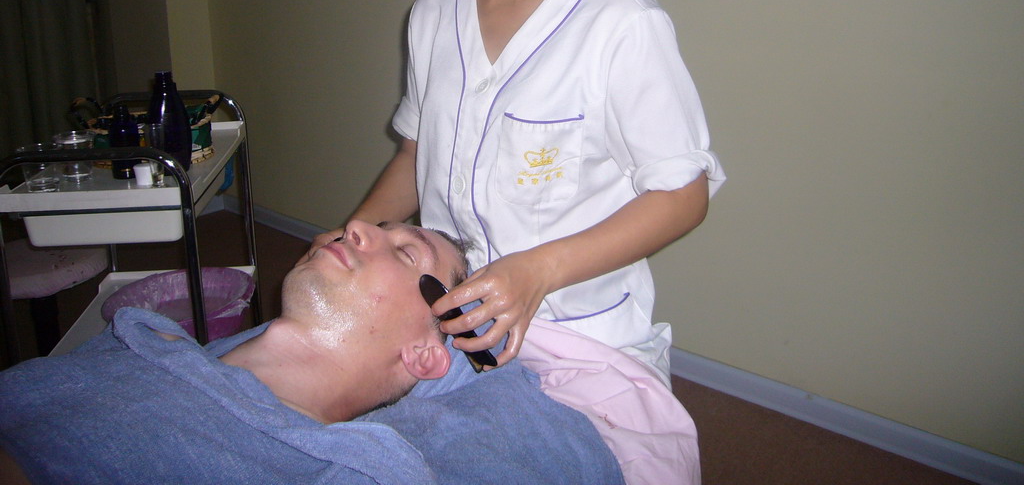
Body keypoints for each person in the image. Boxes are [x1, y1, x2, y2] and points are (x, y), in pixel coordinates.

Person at [350, 0, 725, 385]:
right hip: (449, 320)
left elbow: (682, 196)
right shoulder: (433, 16)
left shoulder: (619, 23)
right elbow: (416, 154)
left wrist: (536, 272)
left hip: (577, 331)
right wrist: (356, 235)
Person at [0, 220, 624, 485]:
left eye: (406, 254)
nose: (355, 227)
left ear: (425, 354)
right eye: (377, 232)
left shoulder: (332, 465)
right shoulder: (142, 344)